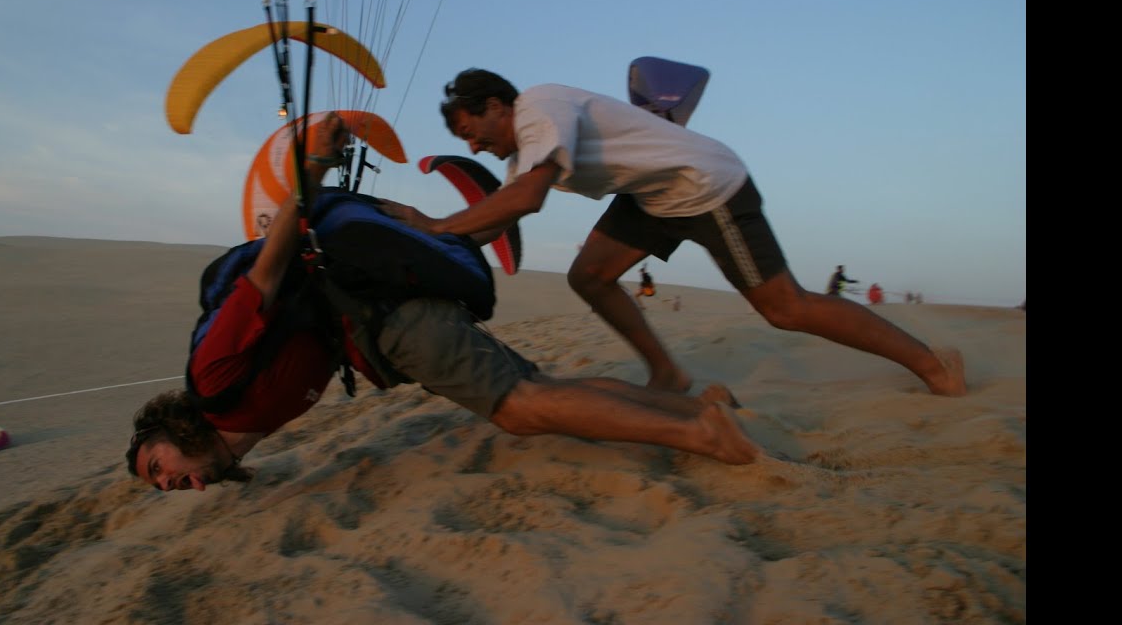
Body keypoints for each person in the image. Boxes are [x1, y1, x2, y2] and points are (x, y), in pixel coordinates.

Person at [125, 112, 764, 493]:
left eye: (157, 466)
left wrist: (312, 171)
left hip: (402, 327)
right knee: (541, 387)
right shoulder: (243, 431)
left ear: (170, 432)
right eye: (159, 486)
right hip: (402, 326)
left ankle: (701, 434)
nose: (167, 483)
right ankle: (699, 405)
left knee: (521, 408)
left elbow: (267, 270)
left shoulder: (213, 383)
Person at [379, 69, 966, 397]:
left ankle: (933, 364)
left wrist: (436, 225)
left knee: (785, 308)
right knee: (590, 276)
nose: (474, 146)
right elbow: (499, 217)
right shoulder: (522, 153)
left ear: (495, 105)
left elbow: (527, 200)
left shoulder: (540, 107)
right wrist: (419, 244)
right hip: (652, 197)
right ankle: (668, 373)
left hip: (706, 187)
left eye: (471, 131)